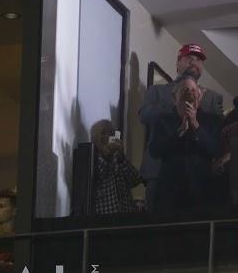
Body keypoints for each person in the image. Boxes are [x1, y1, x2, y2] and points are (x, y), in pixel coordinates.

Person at [139, 44, 223, 209]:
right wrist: (178, 103)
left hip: (199, 175)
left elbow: (217, 135)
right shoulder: (157, 91)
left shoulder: (212, 98)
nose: (194, 63)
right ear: (177, 63)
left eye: (198, 60)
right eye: (189, 58)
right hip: (159, 171)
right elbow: (144, 116)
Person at [148, 76, 220, 213]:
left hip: (201, 191)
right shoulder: (163, 120)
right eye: (185, 90)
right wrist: (179, 132)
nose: (190, 93)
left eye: (194, 90)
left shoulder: (212, 120)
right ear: (175, 97)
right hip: (169, 193)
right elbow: (154, 150)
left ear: (199, 97)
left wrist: (196, 126)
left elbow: (215, 149)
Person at [90, 119, 142, 215]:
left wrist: (122, 159)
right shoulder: (92, 162)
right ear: (95, 140)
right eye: (103, 133)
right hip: (104, 219)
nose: (108, 136)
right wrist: (106, 157)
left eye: (112, 133)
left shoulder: (119, 160)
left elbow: (136, 180)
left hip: (127, 217)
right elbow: (95, 178)